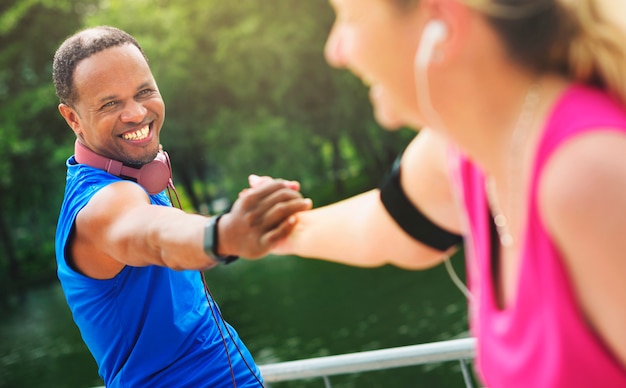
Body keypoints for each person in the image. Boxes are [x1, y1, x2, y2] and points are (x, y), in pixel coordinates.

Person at [250, 0, 626, 386]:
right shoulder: (468, 151)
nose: (336, 51)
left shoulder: (587, 174)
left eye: (349, 19)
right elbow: (384, 225)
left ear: (441, 22)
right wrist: (278, 228)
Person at [52, 26, 311, 387]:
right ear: (73, 118)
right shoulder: (102, 204)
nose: (136, 112)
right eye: (110, 103)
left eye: (144, 92)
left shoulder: (137, 177)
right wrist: (225, 234)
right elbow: (153, 234)